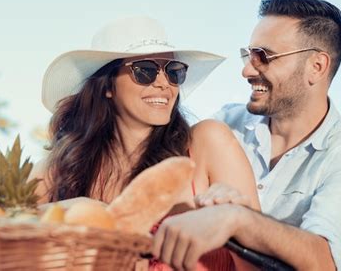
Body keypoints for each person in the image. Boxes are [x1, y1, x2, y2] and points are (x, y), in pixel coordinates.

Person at [152, 0, 341, 271]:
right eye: (248, 55)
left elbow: (326, 262)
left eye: (264, 56)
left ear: (316, 67)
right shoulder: (224, 124)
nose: (247, 70)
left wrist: (237, 217)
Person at [31, 16, 261, 270]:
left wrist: (232, 218)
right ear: (108, 86)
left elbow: (256, 263)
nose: (163, 83)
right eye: (145, 70)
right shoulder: (61, 171)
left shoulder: (208, 143)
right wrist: (64, 210)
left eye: (173, 72)